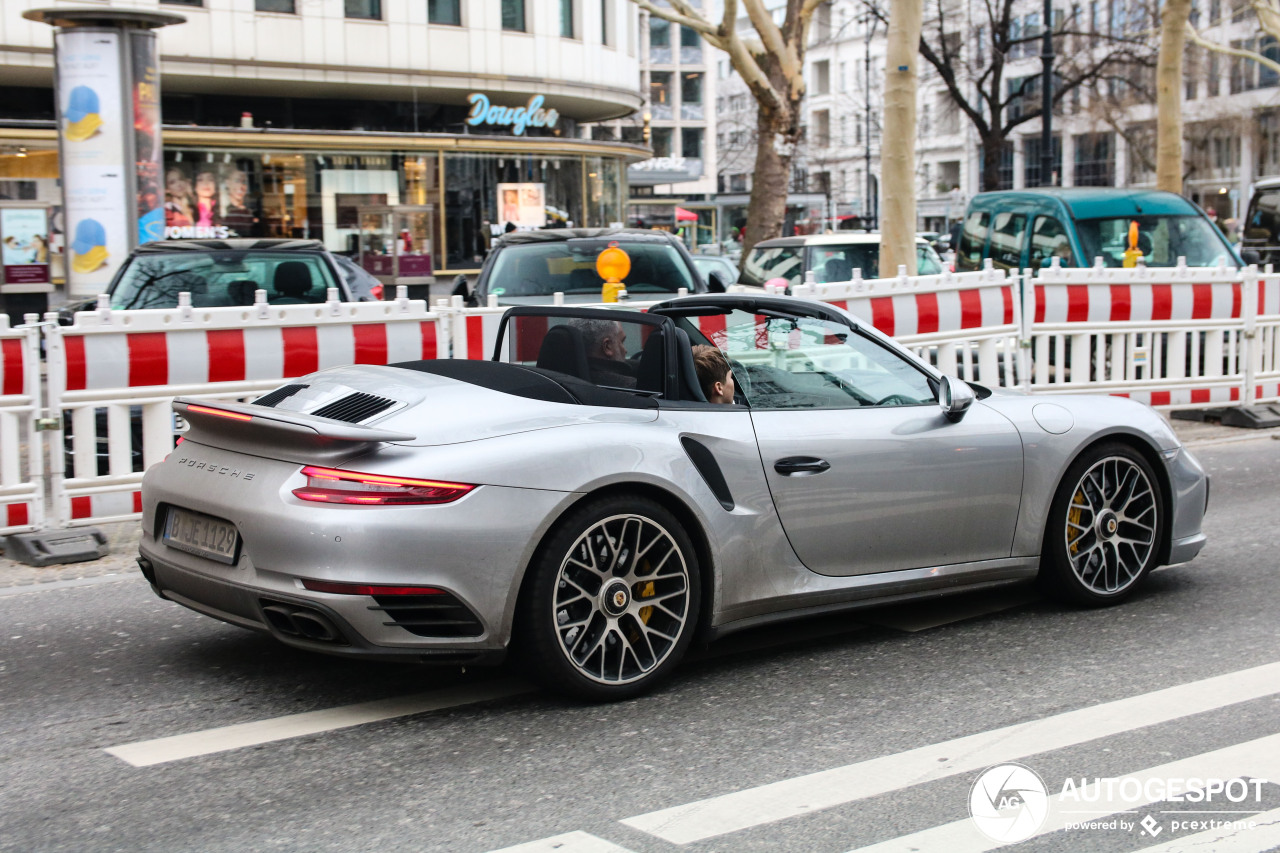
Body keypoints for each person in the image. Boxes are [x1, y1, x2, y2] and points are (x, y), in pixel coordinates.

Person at [570, 318, 636, 388]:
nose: (625, 350)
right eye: (622, 341)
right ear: (607, 346)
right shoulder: (629, 387)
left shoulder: (562, 379)